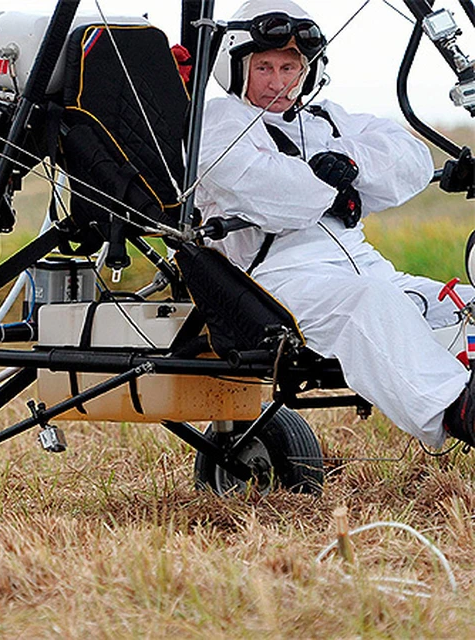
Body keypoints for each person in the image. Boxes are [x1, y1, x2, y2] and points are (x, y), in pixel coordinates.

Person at [193, 0, 475, 449]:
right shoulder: (216, 123)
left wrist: (348, 162)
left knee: (463, 302)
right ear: (236, 67)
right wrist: (334, 186)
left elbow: (411, 161)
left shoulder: (325, 118)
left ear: (309, 69)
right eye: (264, 67)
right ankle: (459, 412)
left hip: (364, 266)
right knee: (369, 303)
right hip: (278, 282)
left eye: (290, 67)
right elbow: (267, 194)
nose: (278, 82)